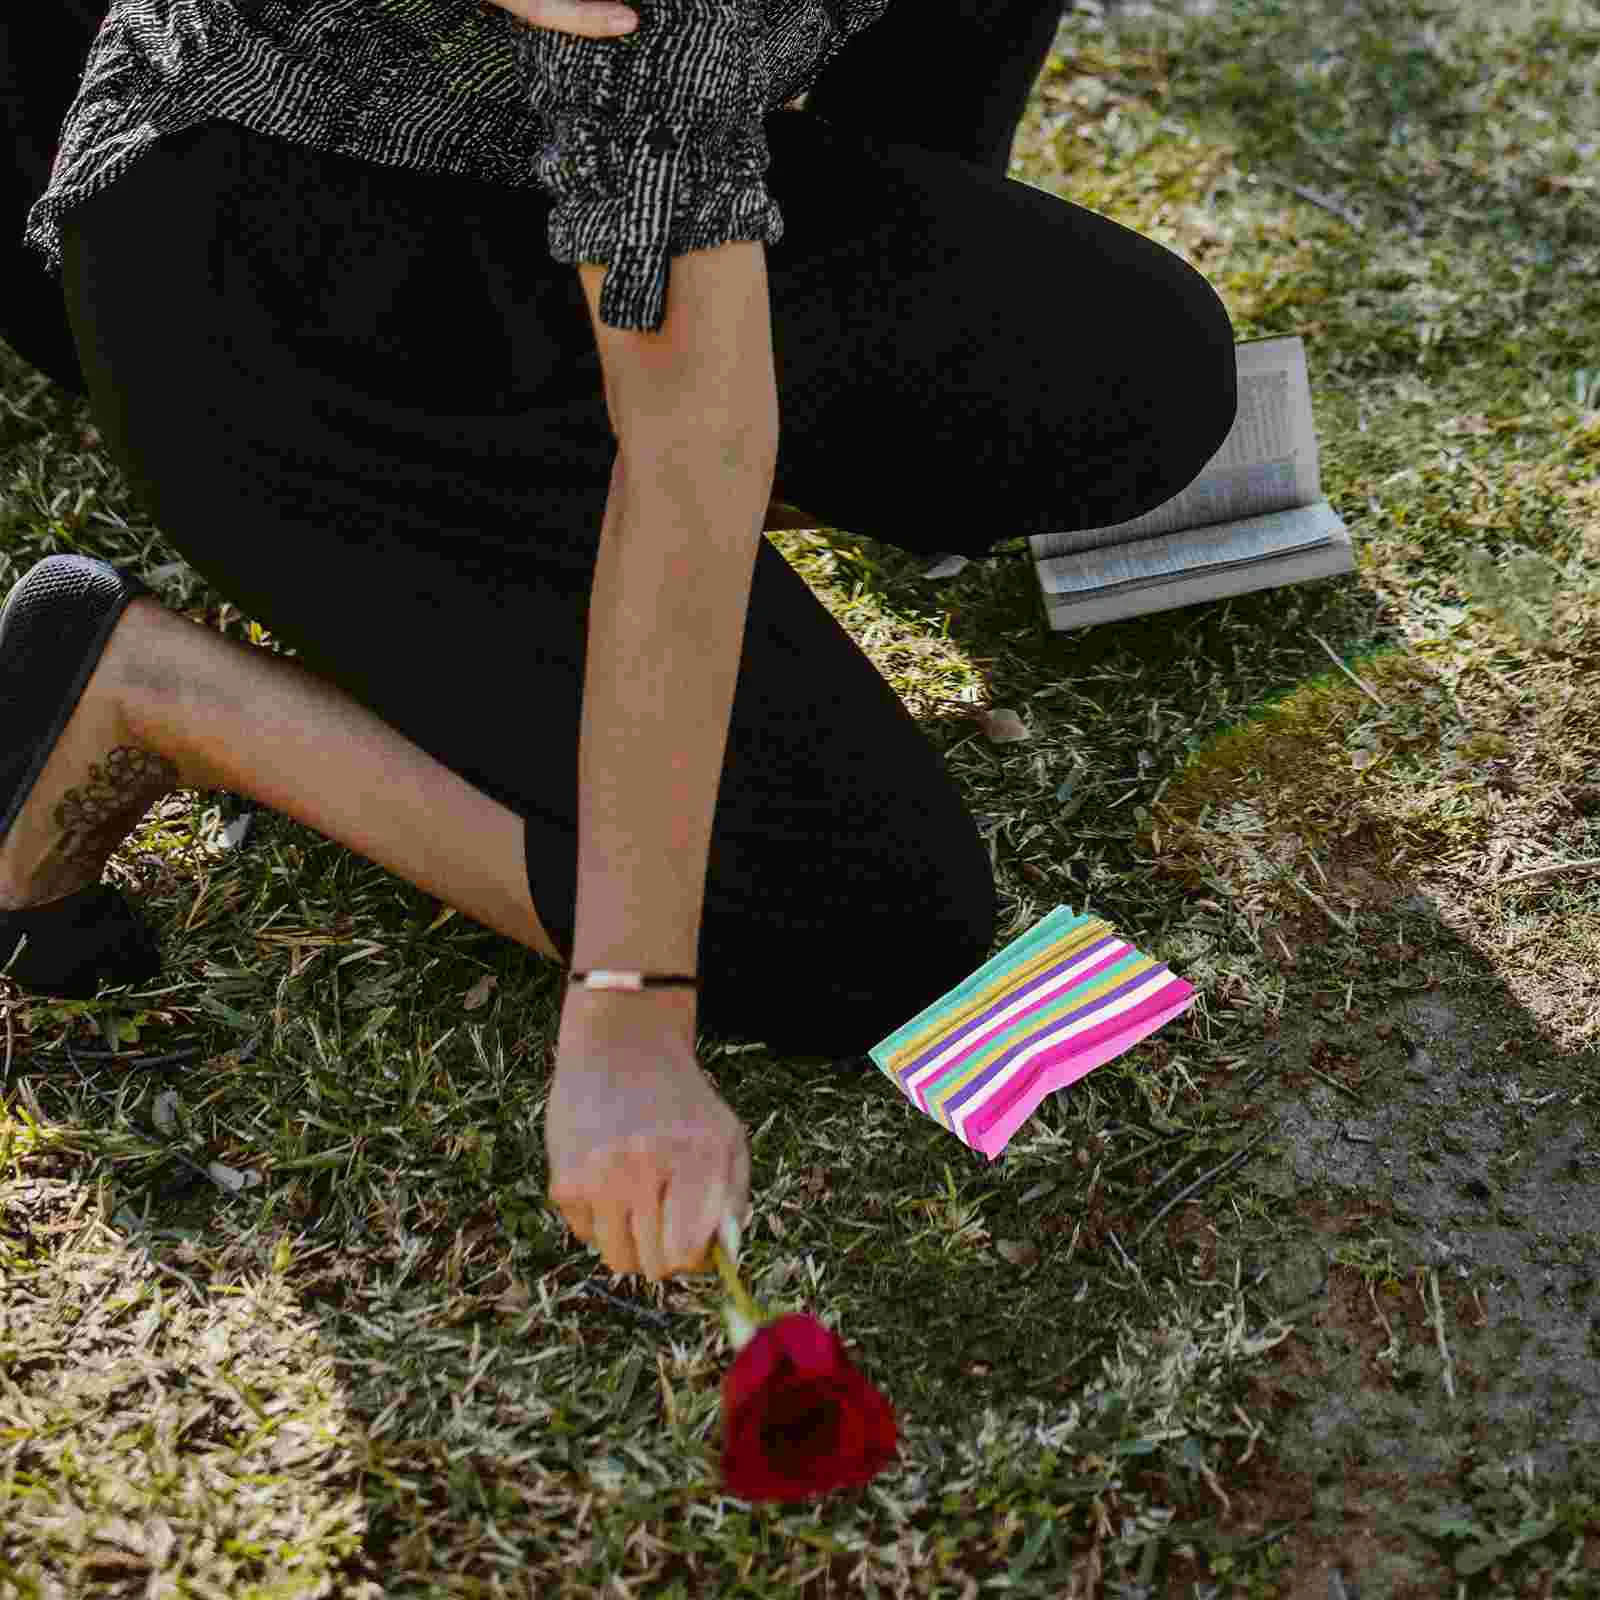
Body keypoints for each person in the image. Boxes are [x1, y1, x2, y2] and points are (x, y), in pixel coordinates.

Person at [4, 0, 1237, 1286]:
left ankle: (574, 521)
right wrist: (632, 1004)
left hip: (531, 182)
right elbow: (692, 450)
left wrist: (878, 395)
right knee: (849, 924)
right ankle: (149, 690)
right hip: (270, 296)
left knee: (1138, 378)